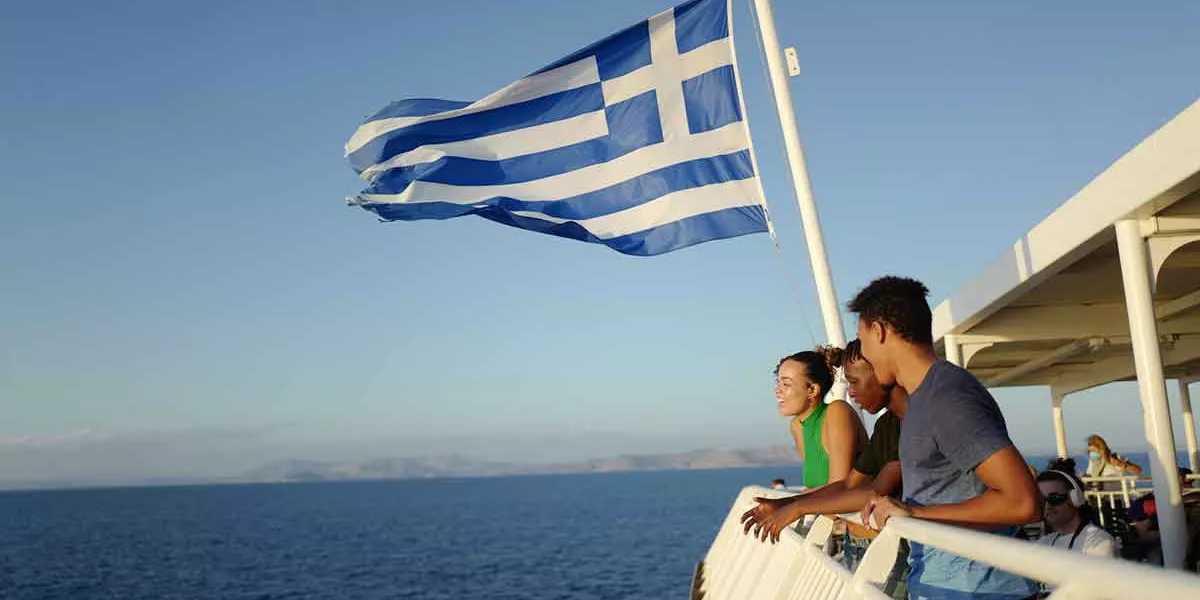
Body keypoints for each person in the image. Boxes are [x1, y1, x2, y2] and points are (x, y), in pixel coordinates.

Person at [850, 276, 1041, 600]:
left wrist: (914, 515)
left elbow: (1023, 501)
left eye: (863, 340)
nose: (865, 354)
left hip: (978, 591)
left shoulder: (946, 398)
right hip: (946, 586)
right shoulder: (924, 398)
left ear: (879, 331)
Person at [773, 349, 868, 489]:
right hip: (824, 509)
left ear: (812, 390)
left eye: (786, 384)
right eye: (778, 382)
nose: (777, 390)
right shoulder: (797, 426)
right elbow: (815, 486)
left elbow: (839, 488)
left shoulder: (837, 412)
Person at [1033, 469, 1116, 557]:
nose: (1047, 506)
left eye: (1055, 498)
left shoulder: (1098, 541)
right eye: (1041, 500)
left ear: (1075, 499)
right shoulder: (1045, 542)